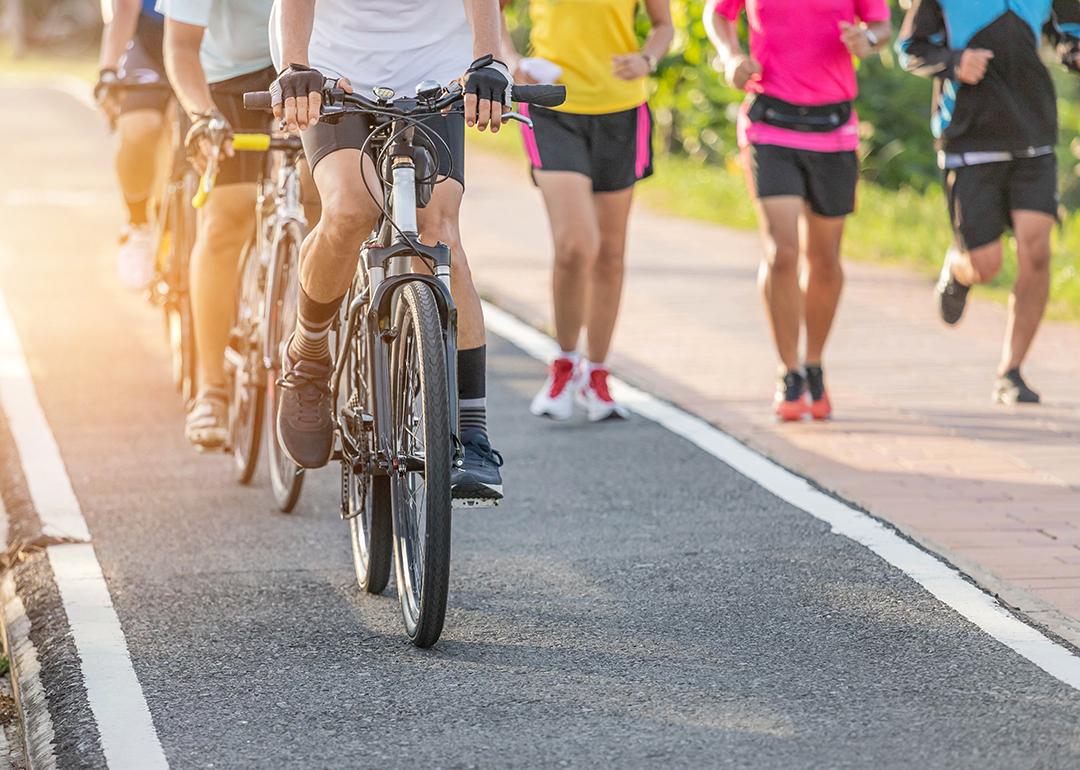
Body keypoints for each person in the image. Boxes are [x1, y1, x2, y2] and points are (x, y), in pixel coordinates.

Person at [268, 0, 512, 501]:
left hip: (435, 68)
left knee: (438, 230)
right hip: (335, 63)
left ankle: (473, 432)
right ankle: (309, 352)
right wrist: (295, 65)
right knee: (348, 210)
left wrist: (488, 61)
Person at [704, 0, 890, 421]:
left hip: (833, 125)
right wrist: (731, 55)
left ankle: (814, 364)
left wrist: (868, 40)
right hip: (770, 120)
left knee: (824, 261)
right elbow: (717, 13)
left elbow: (882, 26)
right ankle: (788, 372)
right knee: (781, 252)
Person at [500, 0, 674, 422]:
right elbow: (490, 10)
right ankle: (563, 364)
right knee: (577, 245)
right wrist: (510, 59)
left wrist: (647, 58)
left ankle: (596, 374)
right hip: (552, 106)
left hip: (622, 111)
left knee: (610, 253)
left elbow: (663, 25)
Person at [899, 1, 1080, 405]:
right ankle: (959, 270)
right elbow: (911, 48)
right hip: (969, 139)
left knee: (1037, 251)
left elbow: (1070, 34)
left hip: (1033, 133)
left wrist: (1075, 53)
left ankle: (1011, 371)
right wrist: (955, 60)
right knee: (986, 265)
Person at [158, 0, 275, 449]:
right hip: (225, 81)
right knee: (228, 215)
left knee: (326, 201)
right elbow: (181, 47)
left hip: (310, 69)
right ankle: (212, 391)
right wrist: (203, 115)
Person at [95, 0, 172, 291]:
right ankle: (138, 223)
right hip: (145, 32)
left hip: (212, 35)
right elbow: (125, 7)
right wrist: (109, 70)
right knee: (141, 125)